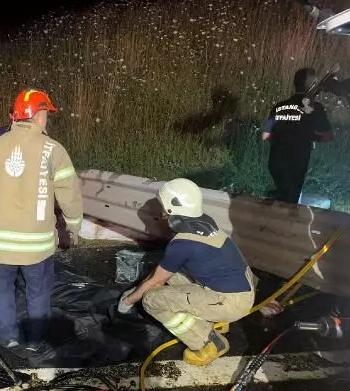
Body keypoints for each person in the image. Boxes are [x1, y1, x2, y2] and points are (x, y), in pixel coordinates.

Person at [0, 88, 83, 350]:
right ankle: (34, 340)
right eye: (46, 113)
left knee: (1, 289)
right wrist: (73, 226)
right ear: (37, 114)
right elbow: (70, 193)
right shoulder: (53, 150)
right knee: (38, 292)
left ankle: (8, 336)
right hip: (37, 246)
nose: (47, 119)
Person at [118, 178, 255, 366]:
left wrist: (127, 301)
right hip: (242, 288)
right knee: (171, 276)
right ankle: (214, 317)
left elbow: (155, 282)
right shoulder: (206, 223)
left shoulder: (182, 244)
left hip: (229, 301)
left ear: (172, 210)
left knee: (152, 299)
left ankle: (208, 342)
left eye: (164, 208)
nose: (163, 213)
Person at [262, 67, 333, 204]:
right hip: (297, 164)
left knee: (282, 195)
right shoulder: (316, 108)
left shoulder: (279, 106)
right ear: (313, 85)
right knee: (290, 203)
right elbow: (328, 136)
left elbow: (265, 135)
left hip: (275, 163)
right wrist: (310, 136)